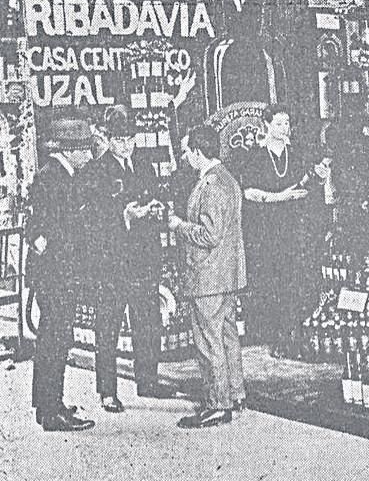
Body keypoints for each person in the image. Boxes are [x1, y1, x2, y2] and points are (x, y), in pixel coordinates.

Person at [82, 106, 175, 413]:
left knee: (147, 322)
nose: (126, 145)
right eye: (120, 140)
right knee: (107, 326)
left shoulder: (144, 165)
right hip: (112, 263)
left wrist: (156, 208)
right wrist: (125, 216)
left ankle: (147, 381)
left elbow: (154, 194)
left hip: (145, 259)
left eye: (131, 139)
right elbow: (92, 221)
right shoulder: (96, 172)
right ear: (108, 139)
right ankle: (107, 391)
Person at [169, 125, 247, 428]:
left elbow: (210, 234)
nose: (185, 157)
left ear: (199, 152)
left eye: (187, 151)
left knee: (208, 340)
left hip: (207, 276)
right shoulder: (227, 179)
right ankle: (235, 394)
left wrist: (178, 225)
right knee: (228, 337)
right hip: (227, 275)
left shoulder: (211, 184)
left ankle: (217, 404)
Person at [240, 104, 330, 358]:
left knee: (296, 281)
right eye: (279, 123)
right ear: (266, 125)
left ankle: (294, 335)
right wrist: (280, 196)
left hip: (295, 229)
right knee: (273, 284)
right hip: (267, 232)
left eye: (287, 123)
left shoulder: (297, 153)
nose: (284, 127)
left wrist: (321, 177)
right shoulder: (254, 157)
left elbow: (309, 184)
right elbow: (249, 193)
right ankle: (278, 338)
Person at [28, 117, 96, 431]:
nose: (90, 156)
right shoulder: (52, 178)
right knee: (54, 341)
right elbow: (44, 232)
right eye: (86, 149)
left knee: (55, 340)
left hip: (59, 274)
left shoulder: (60, 175)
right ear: (70, 150)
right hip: (56, 276)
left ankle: (49, 405)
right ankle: (51, 410)